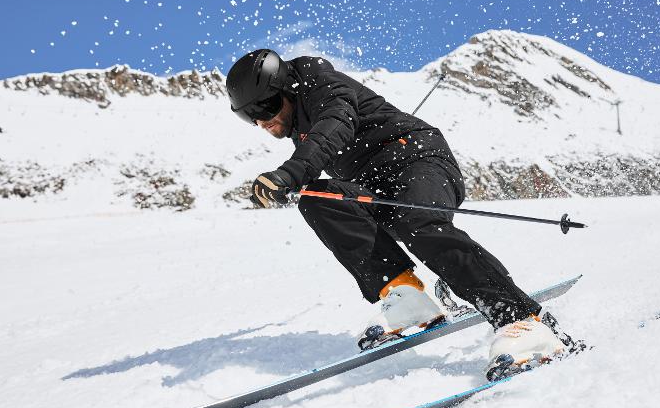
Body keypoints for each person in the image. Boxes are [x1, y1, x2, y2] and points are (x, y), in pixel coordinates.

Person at [225, 49, 579, 380]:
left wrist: (290, 173)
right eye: (249, 116)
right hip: (376, 186)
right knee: (317, 197)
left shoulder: (321, 85)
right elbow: (319, 144)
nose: (262, 121)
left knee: (415, 223)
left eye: (267, 107)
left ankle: (521, 320)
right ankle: (405, 294)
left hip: (419, 161)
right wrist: (294, 183)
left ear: (286, 87)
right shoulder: (299, 121)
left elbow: (334, 125)